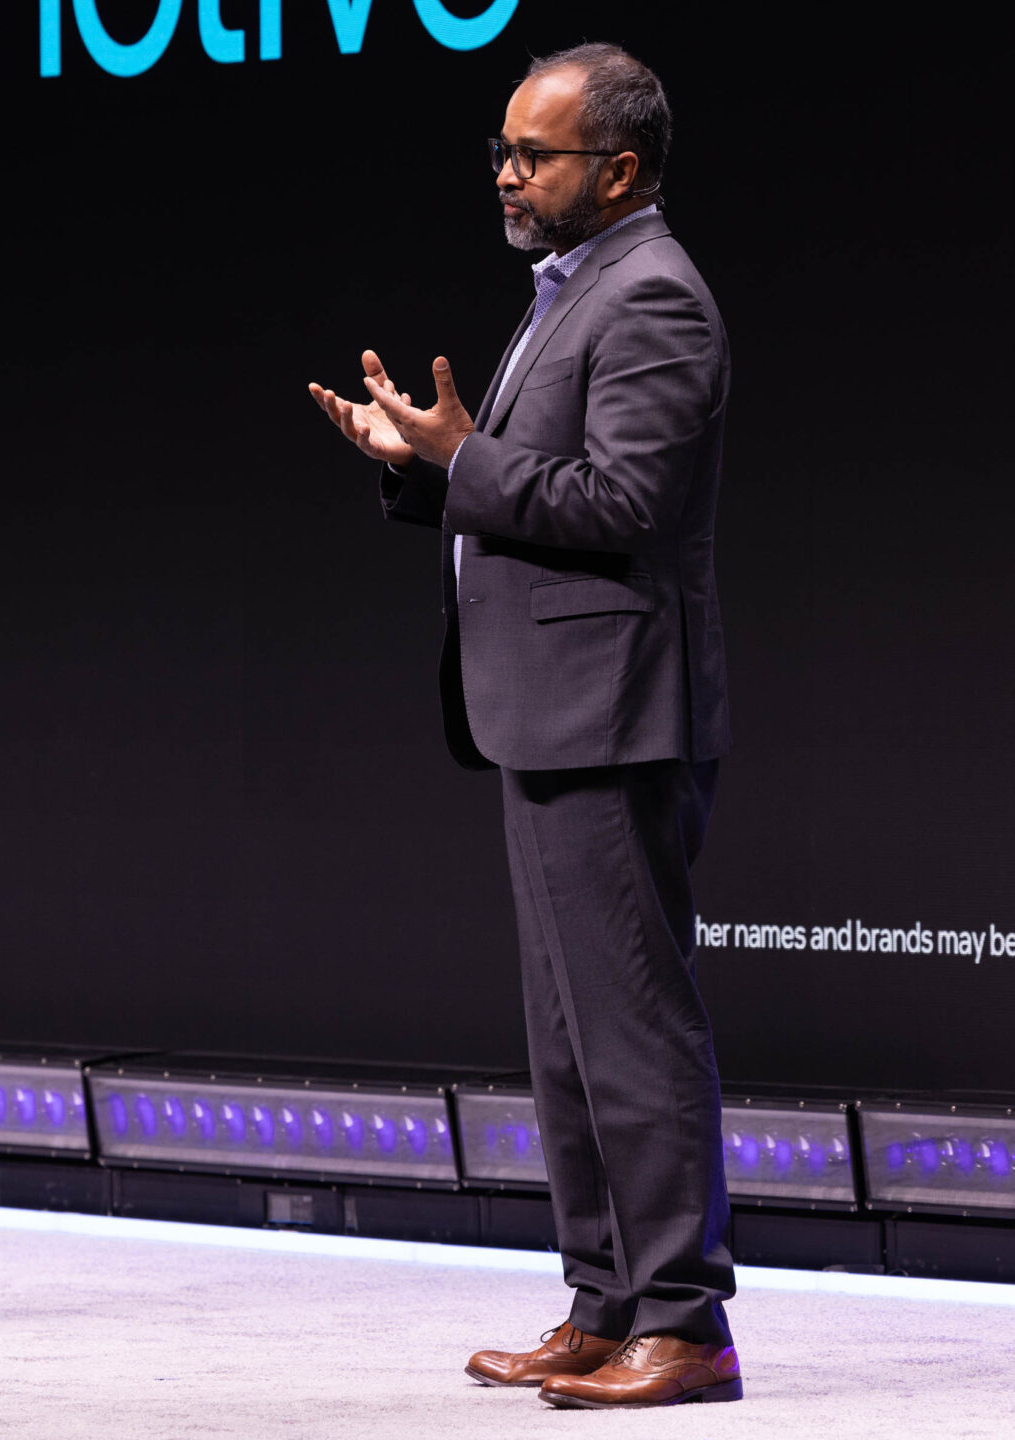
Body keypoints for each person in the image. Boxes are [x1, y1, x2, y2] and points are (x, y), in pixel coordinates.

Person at [306, 43, 740, 1409]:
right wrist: (422, 471)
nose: (506, 171)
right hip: (545, 716)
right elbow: (529, 486)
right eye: (503, 148)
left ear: (616, 169)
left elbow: (623, 507)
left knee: (631, 1024)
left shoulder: (653, 295)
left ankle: (687, 1322)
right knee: (568, 1035)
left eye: (533, 154)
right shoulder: (571, 291)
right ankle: (604, 1302)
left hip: (613, 713)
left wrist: (460, 457)